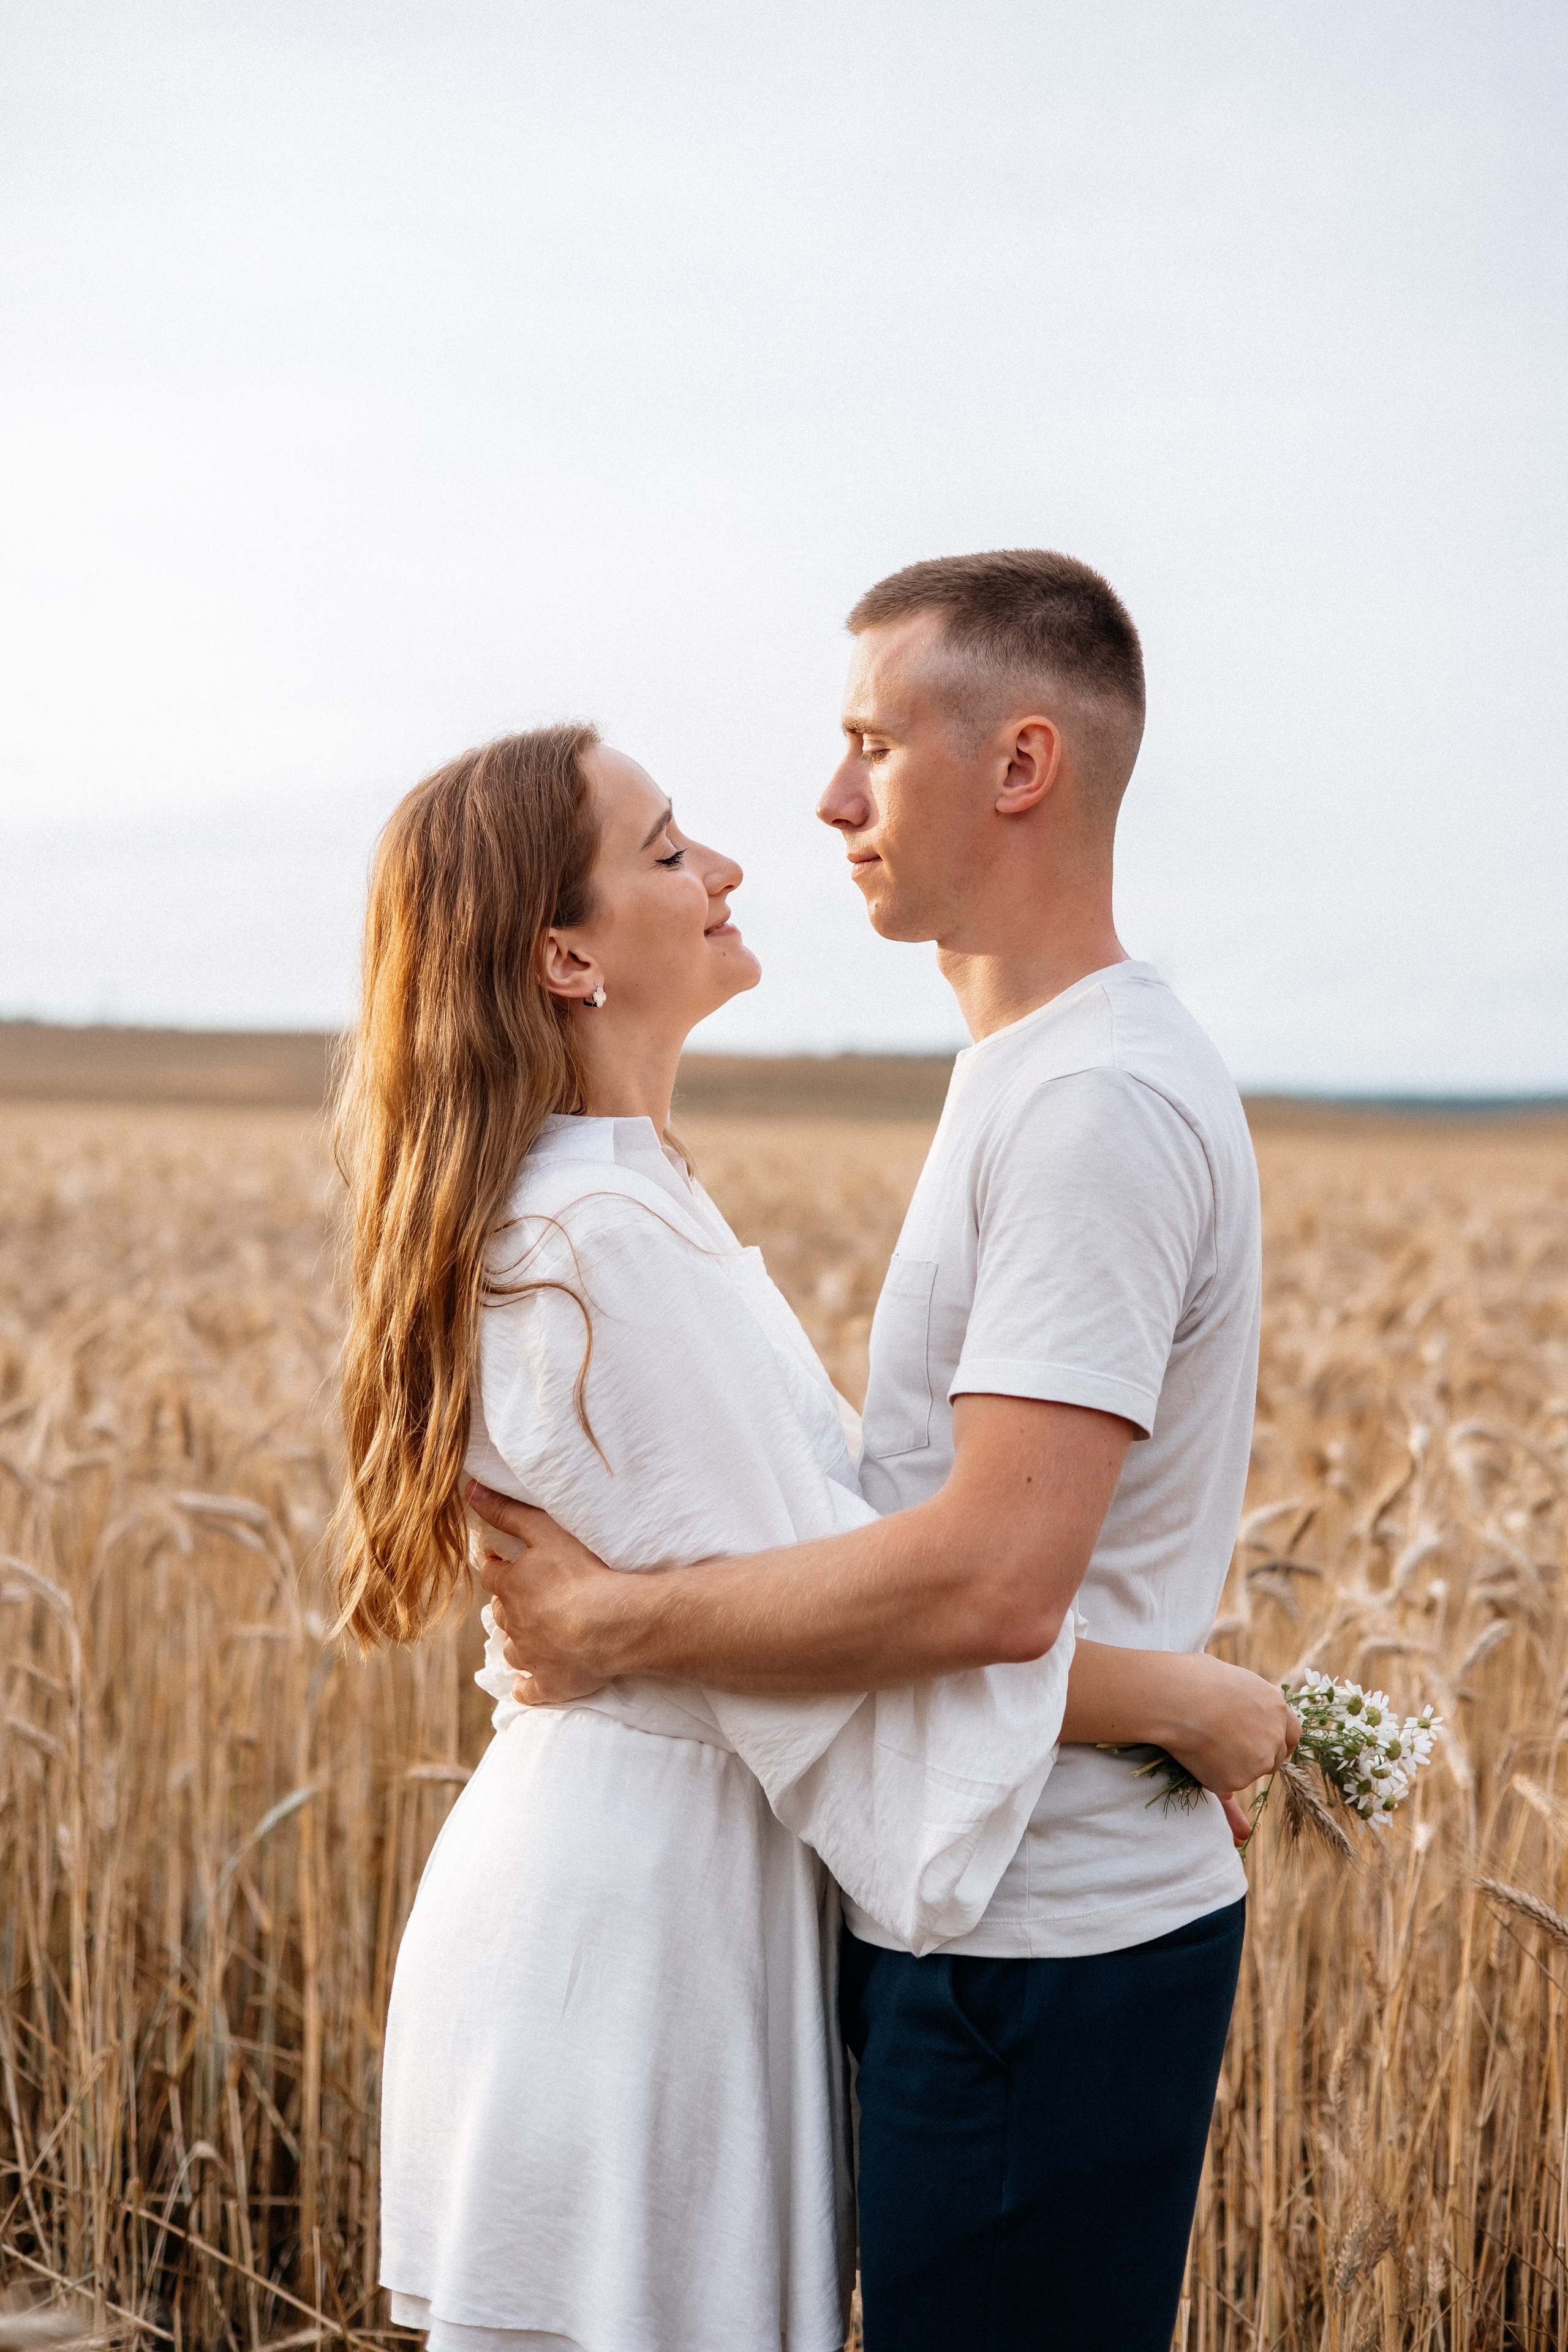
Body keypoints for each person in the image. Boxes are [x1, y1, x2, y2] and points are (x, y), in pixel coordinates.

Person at [475, 549, 1291, 2352]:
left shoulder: (1087, 1104)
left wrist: (611, 1631)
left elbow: (994, 1578)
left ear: (1018, 767)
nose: (827, 802)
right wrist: (1173, 1694)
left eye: (871, 747)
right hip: (989, 1898)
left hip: (1038, 1933)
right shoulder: (1029, 1072)